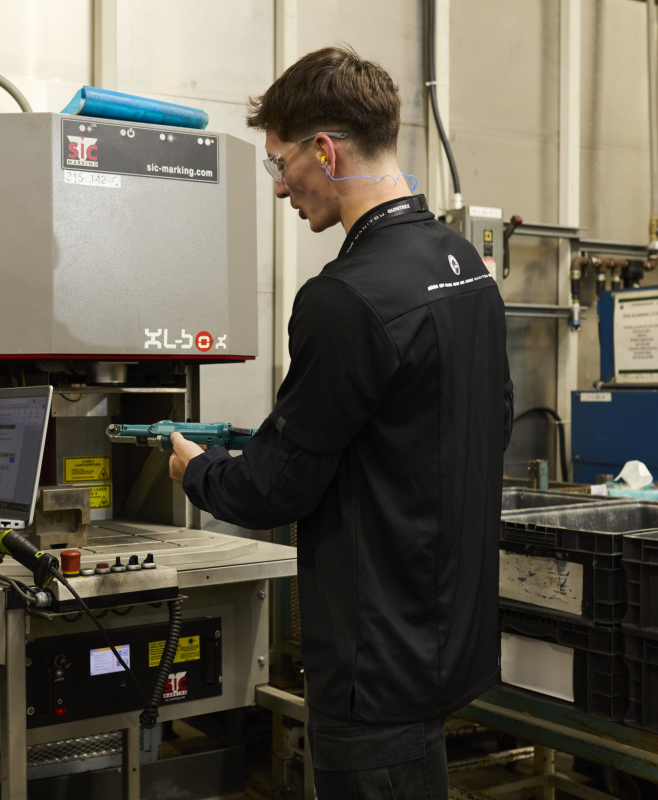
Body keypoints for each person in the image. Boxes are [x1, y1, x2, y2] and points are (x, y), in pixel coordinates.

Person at [167, 47, 513, 797]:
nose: (281, 186)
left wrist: (194, 468)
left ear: (325, 149)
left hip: (373, 662)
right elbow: (480, 425)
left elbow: (275, 489)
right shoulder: (467, 267)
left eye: (279, 163)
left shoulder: (344, 296)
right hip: (448, 639)